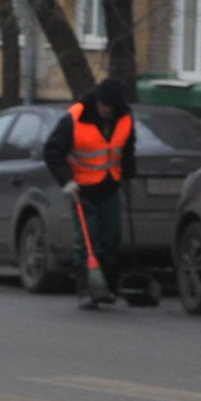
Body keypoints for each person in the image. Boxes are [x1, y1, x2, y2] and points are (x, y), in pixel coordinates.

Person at [44, 77, 144, 309]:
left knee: (111, 238)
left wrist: (128, 175)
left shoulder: (124, 117)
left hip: (110, 186)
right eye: (103, 105)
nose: (106, 110)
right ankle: (86, 291)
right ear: (97, 101)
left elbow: (127, 148)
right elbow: (52, 152)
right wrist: (66, 181)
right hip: (83, 190)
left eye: (110, 106)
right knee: (87, 242)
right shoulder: (75, 118)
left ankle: (106, 288)